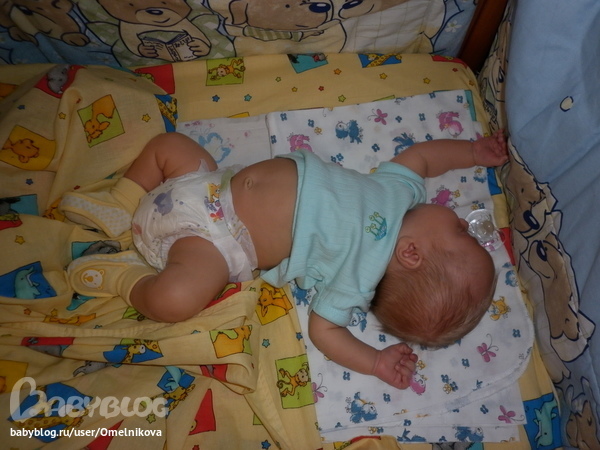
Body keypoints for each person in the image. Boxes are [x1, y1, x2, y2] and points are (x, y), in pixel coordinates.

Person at [62, 130, 508, 389]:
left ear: (411, 254)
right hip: (207, 182)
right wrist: (472, 153)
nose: (463, 222)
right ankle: (122, 202)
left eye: (461, 233)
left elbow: (325, 332)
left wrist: (374, 362)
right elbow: (424, 158)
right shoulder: (401, 192)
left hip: (212, 243)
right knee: (170, 144)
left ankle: (124, 278)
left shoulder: (356, 280)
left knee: (176, 299)